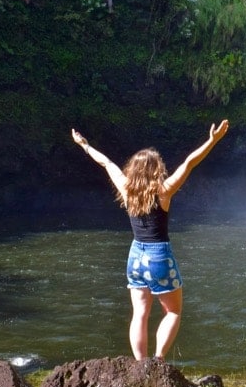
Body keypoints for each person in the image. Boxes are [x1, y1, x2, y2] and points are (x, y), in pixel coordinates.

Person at [71, 121, 229, 360]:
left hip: (135, 255)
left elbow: (106, 163)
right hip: (159, 255)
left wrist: (84, 145)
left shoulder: (126, 188)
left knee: (140, 313)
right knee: (173, 311)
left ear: (133, 170)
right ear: (157, 170)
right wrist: (212, 140)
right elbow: (189, 163)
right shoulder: (163, 191)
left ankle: (140, 365)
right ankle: (158, 360)